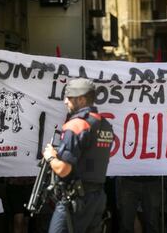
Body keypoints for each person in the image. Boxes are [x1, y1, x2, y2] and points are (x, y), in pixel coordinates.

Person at [43, 78, 114, 233]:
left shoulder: (76, 125)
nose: (65, 101)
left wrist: (50, 156)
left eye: (69, 97)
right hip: (97, 199)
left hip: (76, 201)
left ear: (81, 99)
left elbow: (63, 169)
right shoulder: (106, 125)